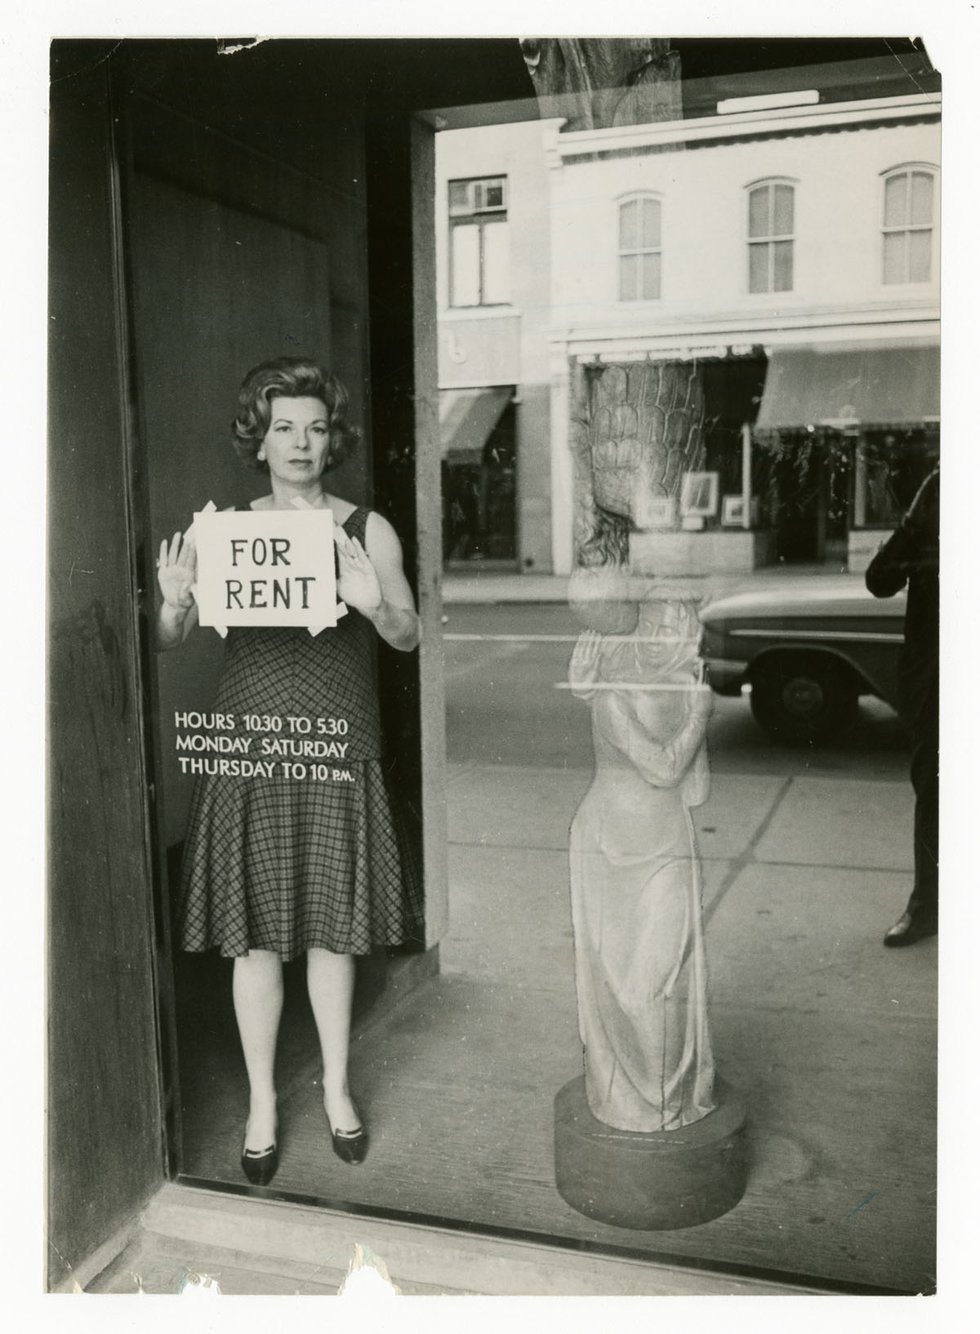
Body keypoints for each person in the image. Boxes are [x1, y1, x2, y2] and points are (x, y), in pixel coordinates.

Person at [156, 357, 423, 1183]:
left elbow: (408, 634)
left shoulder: (366, 529)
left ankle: (337, 1089)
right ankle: (264, 1103)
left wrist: (372, 599)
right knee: (256, 941)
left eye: (314, 427)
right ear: (259, 437)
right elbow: (171, 638)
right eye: (283, 427)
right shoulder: (226, 531)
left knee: (334, 932)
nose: (300, 442)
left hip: (336, 742)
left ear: (330, 436)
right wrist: (170, 600)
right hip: (253, 746)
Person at [567, 593, 716, 1131]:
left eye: (678, 626)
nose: (663, 635)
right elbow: (662, 769)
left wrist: (692, 702)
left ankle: (664, 1102)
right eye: (654, 623)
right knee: (621, 983)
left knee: (659, 978)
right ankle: (639, 1104)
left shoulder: (683, 687)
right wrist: (699, 714)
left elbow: (696, 790)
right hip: (609, 848)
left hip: (666, 848)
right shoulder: (612, 695)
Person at [865, 465, 939, 948]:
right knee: (935, 785)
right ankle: (926, 905)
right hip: (936, 668)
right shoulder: (939, 485)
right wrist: (923, 565)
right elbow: (878, 579)